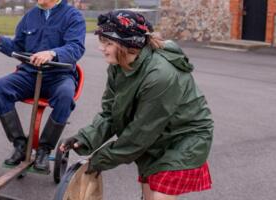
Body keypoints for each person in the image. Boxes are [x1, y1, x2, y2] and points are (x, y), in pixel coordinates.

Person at [60, 10, 213, 200]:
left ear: (128, 46)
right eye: (102, 42)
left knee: (158, 197)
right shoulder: (118, 67)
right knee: (149, 196)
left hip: (184, 138)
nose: (101, 48)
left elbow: (140, 134)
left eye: (108, 43)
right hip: (155, 137)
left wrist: (100, 160)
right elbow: (110, 113)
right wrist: (85, 138)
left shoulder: (160, 75)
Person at [0, 0, 86, 171]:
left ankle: (44, 149)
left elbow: (76, 47)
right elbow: (17, 47)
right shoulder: (30, 16)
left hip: (59, 76)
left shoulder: (73, 16)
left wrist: (52, 53)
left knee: (65, 95)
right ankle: (20, 144)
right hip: (30, 74)